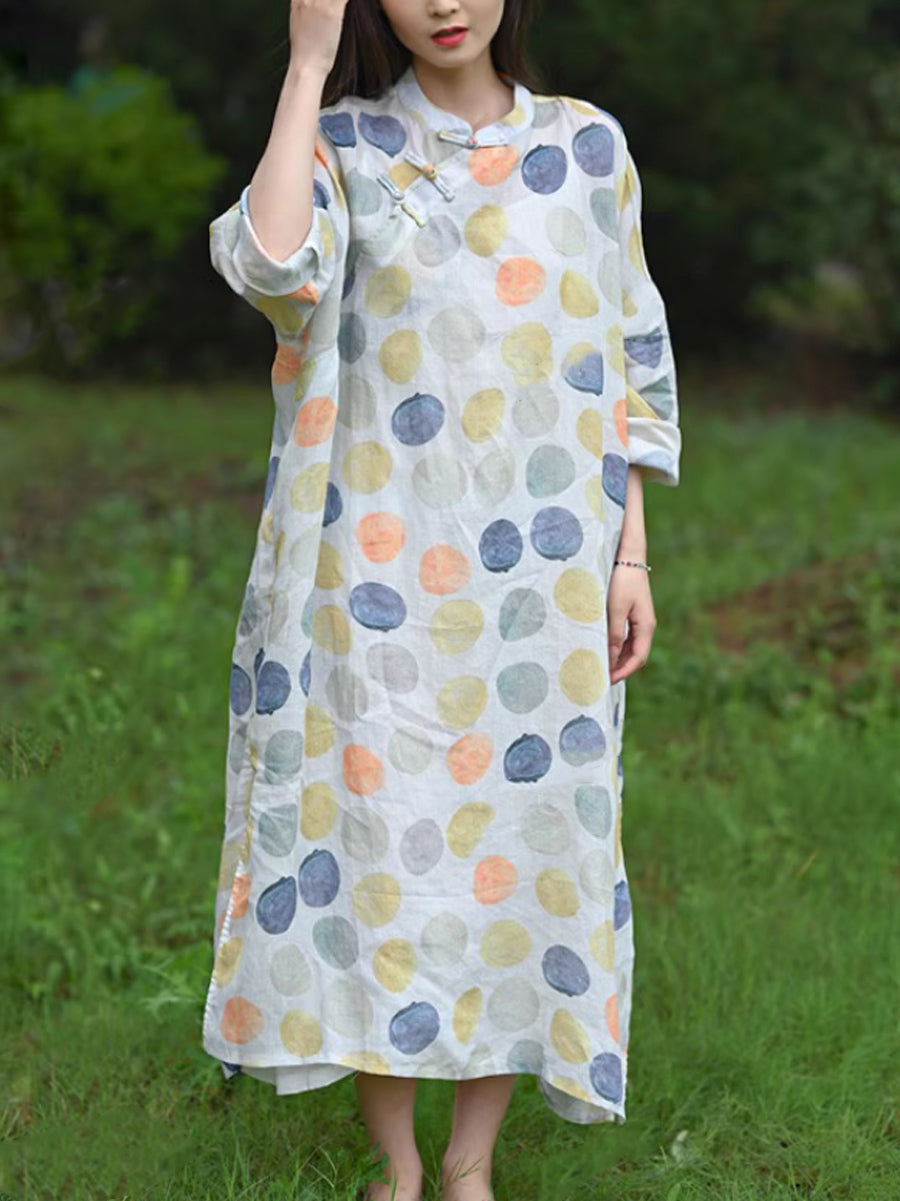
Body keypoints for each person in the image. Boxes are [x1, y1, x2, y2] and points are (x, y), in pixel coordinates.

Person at [201, 1, 681, 1198]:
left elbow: (630, 360)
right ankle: (398, 1165)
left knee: (524, 848)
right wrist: (307, 66)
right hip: (373, 586)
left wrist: (630, 559)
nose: (445, 4)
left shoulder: (587, 149)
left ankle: (470, 1165)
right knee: (384, 856)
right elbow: (268, 264)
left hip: (541, 591)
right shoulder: (348, 146)